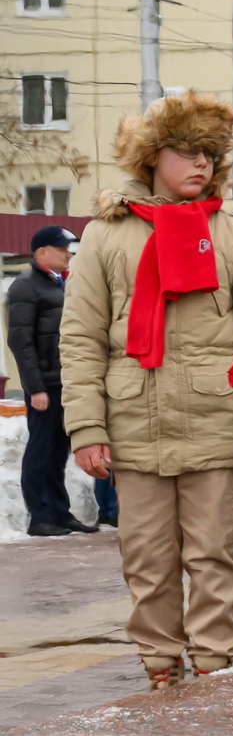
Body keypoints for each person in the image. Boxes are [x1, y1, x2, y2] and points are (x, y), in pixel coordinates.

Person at [59, 92, 233, 687]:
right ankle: (161, 668)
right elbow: (80, 339)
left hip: (218, 424)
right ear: (150, 156)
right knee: (148, 560)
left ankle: (215, 667)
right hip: (135, 425)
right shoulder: (107, 237)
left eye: (210, 155)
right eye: (186, 151)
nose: (201, 165)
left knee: (214, 556)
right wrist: (86, 428)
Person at [8, 225, 100, 537]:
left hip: (64, 383)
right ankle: (40, 516)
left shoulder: (58, 284)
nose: (67, 254)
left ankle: (60, 514)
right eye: (62, 249)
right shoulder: (26, 286)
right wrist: (35, 389)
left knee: (59, 452)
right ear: (41, 251)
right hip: (44, 386)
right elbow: (20, 343)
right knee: (40, 451)